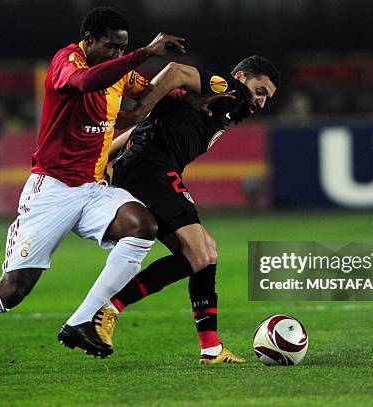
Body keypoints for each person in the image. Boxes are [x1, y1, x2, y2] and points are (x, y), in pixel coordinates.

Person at [0, 6, 187, 376]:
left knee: (143, 226)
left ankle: (81, 321)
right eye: (110, 46)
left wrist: (197, 99)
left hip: (93, 188)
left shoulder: (121, 72)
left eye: (123, 48)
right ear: (88, 41)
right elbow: (85, 83)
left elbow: (152, 92)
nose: (117, 54)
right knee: (13, 290)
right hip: (51, 190)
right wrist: (145, 53)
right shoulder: (65, 62)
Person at [103, 55, 279, 364]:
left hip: (145, 168)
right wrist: (139, 110)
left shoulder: (220, 107)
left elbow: (144, 128)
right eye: (260, 91)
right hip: (152, 170)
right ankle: (109, 307)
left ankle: (210, 348)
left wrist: (106, 157)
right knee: (201, 253)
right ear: (242, 76)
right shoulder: (230, 90)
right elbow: (175, 71)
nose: (261, 103)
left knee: (204, 253)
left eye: (267, 98)